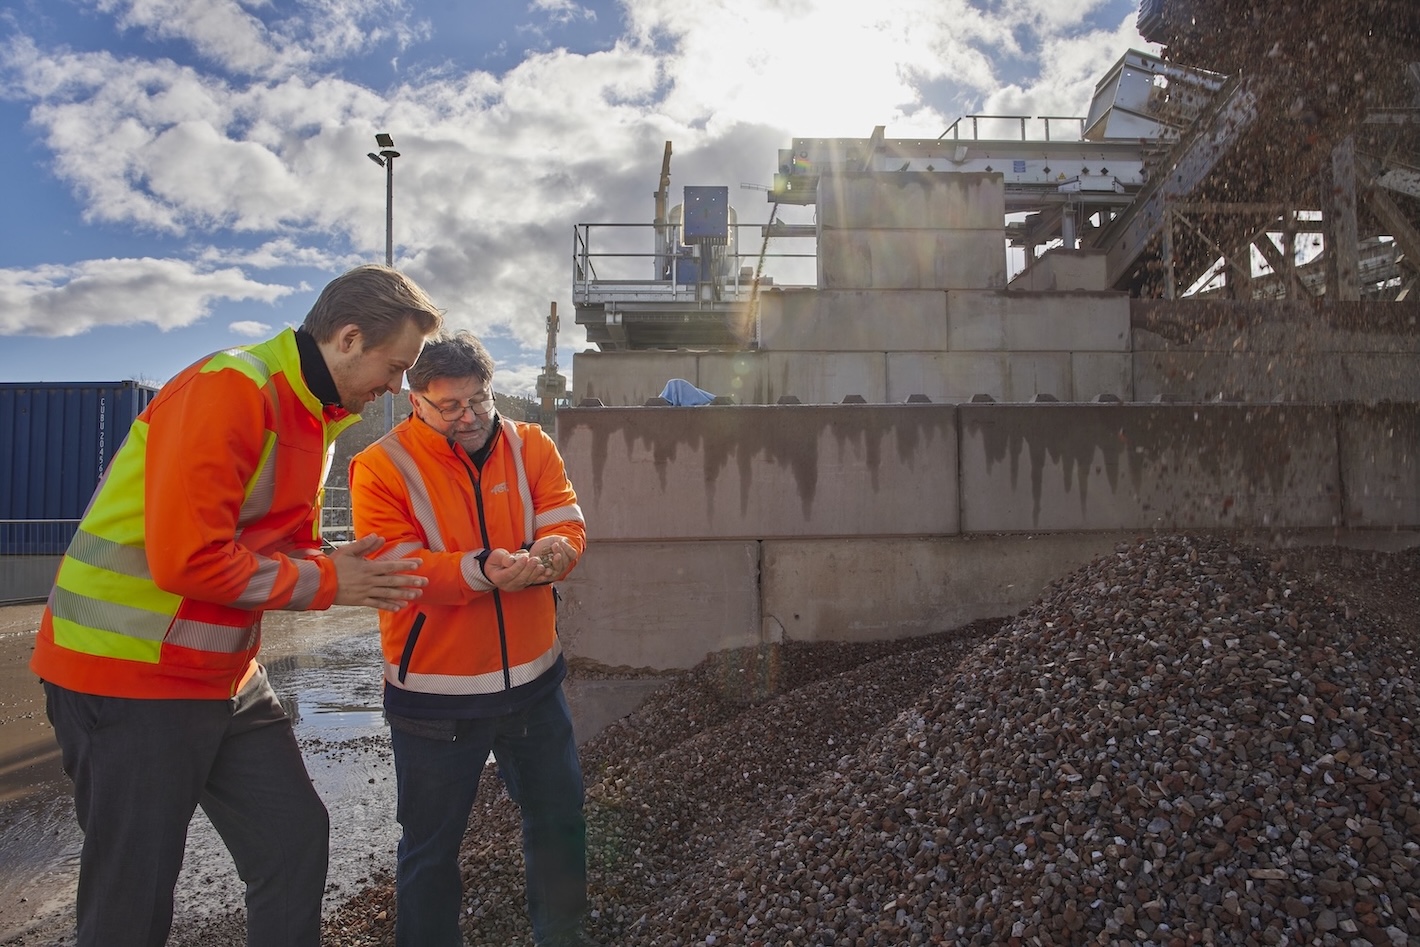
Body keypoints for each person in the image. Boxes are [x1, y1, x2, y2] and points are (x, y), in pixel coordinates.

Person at [29, 263, 445, 947]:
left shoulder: (314, 418)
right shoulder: (231, 390)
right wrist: (331, 583)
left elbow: (265, 549)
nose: (396, 387)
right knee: (130, 899)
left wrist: (333, 561)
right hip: (125, 675)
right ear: (347, 338)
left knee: (292, 838)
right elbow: (188, 559)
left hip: (219, 676)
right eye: (395, 366)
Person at [347, 330, 593, 947]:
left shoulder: (530, 443)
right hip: (436, 695)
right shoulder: (380, 466)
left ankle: (563, 937)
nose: (469, 417)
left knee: (559, 819)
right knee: (430, 850)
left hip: (535, 686)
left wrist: (556, 553)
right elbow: (397, 565)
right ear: (416, 402)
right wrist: (481, 570)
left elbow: (563, 515)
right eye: (450, 407)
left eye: (479, 401)